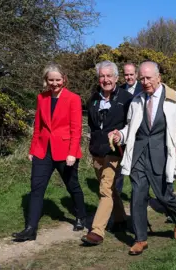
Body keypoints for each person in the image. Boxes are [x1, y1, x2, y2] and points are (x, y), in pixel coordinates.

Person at [110, 61, 176, 255]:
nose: (145, 82)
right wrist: (120, 136)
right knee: (137, 195)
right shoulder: (137, 100)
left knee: (163, 195)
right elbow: (130, 127)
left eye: (148, 78)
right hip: (138, 155)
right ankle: (140, 239)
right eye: (142, 78)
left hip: (163, 156)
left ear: (159, 77)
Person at [12, 63, 86, 241]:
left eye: (58, 80)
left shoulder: (73, 98)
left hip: (65, 151)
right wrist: (32, 149)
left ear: (64, 79)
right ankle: (30, 229)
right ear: (46, 80)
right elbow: (38, 125)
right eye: (51, 80)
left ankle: (81, 216)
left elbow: (76, 129)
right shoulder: (41, 98)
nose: (54, 83)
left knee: (72, 185)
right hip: (42, 150)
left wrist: (72, 152)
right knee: (36, 189)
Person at [81, 61, 133, 246]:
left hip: (115, 151)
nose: (105, 80)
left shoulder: (127, 99)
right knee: (110, 190)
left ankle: (97, 231)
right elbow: (93, 126)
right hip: (97, 152)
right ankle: (120, 219)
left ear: (116, 78)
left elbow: (132, 125)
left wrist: (121, 136)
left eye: (109, 76)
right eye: (102, 76)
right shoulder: (93, 99)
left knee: (105, 189)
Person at [115, 63, 144, 194]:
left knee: (137, 168)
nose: (129, 77)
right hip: (123, 133)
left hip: (138, 133)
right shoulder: (119, 90)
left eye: (131, 74)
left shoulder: (143, 88)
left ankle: (138, 195)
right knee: (119, 168)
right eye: (126, 74)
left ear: (136, 74)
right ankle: (117, 197)